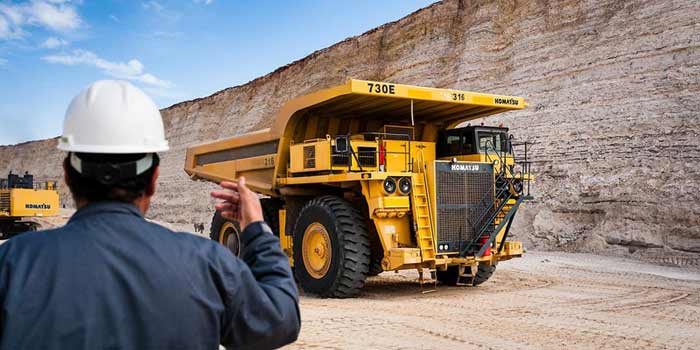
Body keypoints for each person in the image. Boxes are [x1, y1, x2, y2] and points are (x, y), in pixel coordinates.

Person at [0, 80, 300, 350]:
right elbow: (281, 320)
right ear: (155, 178)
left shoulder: (11, 264)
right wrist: (258, 230)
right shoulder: (206, 264)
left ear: (67, 174)